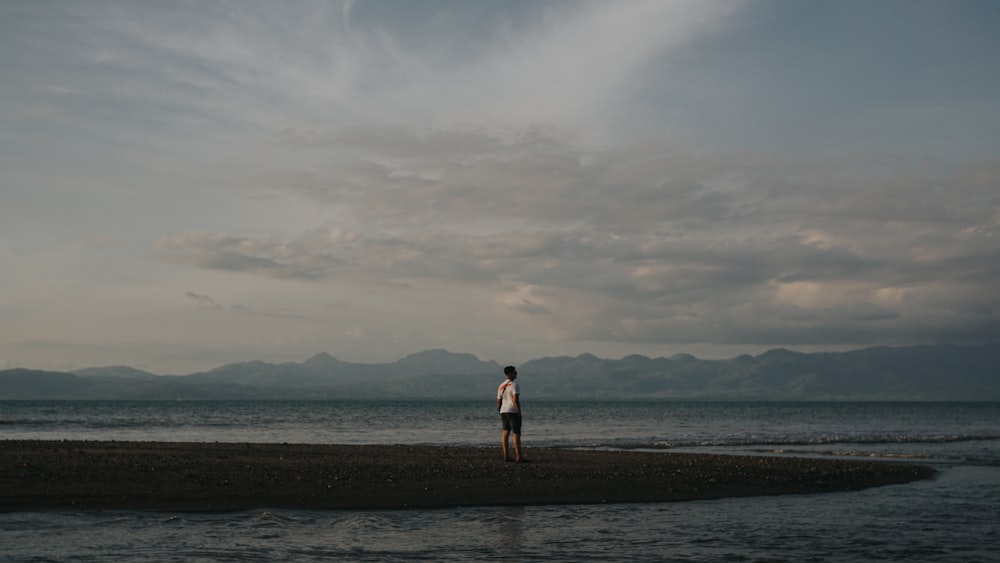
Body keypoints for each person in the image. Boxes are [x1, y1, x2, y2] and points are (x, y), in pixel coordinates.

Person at [497, 365, 523, 462]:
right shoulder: (514, 384)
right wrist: (519, 412)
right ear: (511, 373)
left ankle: (506, 455)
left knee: (505, 432)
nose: (516, 373)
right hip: (512, 411)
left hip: (503, 411)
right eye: (515, 372)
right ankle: (518, 456)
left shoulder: (501, 385)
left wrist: (500, 410)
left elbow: (498, 400)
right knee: (516, 433)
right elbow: (515, 399)